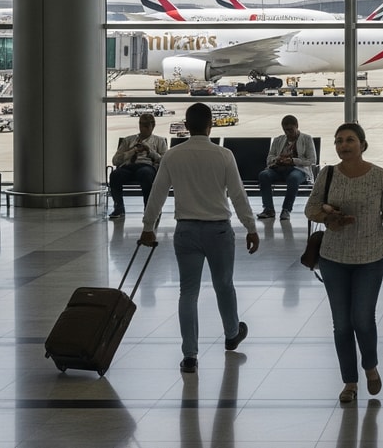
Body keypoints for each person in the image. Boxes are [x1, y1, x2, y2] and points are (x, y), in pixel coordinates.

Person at [140, 103, 260, 375]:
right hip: (218, 231)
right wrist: (251, 227)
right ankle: (232, 333)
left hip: (186, 231)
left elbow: (158, 193)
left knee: (188, 292)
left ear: (186, 125)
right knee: (224, 284)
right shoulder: (224, 155)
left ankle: (190, 356)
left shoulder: (172, 155)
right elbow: (238, 194)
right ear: (211, 125)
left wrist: (148, 227)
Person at [303, 123, 383, 403]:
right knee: (341, 324)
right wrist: (329, 217)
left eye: (350, 140)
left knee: (362, 319)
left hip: (370, 259)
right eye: (339, 141)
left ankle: (370, 366)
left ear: (363, 144)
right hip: (333, 258)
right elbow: (310, 208)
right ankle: (349, 382)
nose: (344, 145)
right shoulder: (328, 174)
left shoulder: (379, 177)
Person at [108, 113, 166, 220]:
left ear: (153, 126)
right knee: (115, 175)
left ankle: (149, 208)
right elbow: (115, 160)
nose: (143, 129)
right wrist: (132, 151)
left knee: (145, 173)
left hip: (147, 166)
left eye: (146, 126)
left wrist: (149, 151)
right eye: (142, 125)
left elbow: (164, 161)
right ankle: (119, 207)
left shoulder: (159, 141)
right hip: (129, 167)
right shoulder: (128, 140)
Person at [258, 115, 316, 220]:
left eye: (290, 130)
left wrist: (293, 161)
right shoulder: (278, 140)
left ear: (297, 126)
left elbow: (312, 160)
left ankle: (286, 209)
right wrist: (278, 159)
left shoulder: (307, 139)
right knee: (264, 175)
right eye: (285, 130)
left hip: (298, 169)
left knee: (293, 178)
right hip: (279, 169)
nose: (288, 133)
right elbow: (269, 158)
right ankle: (268, 209)